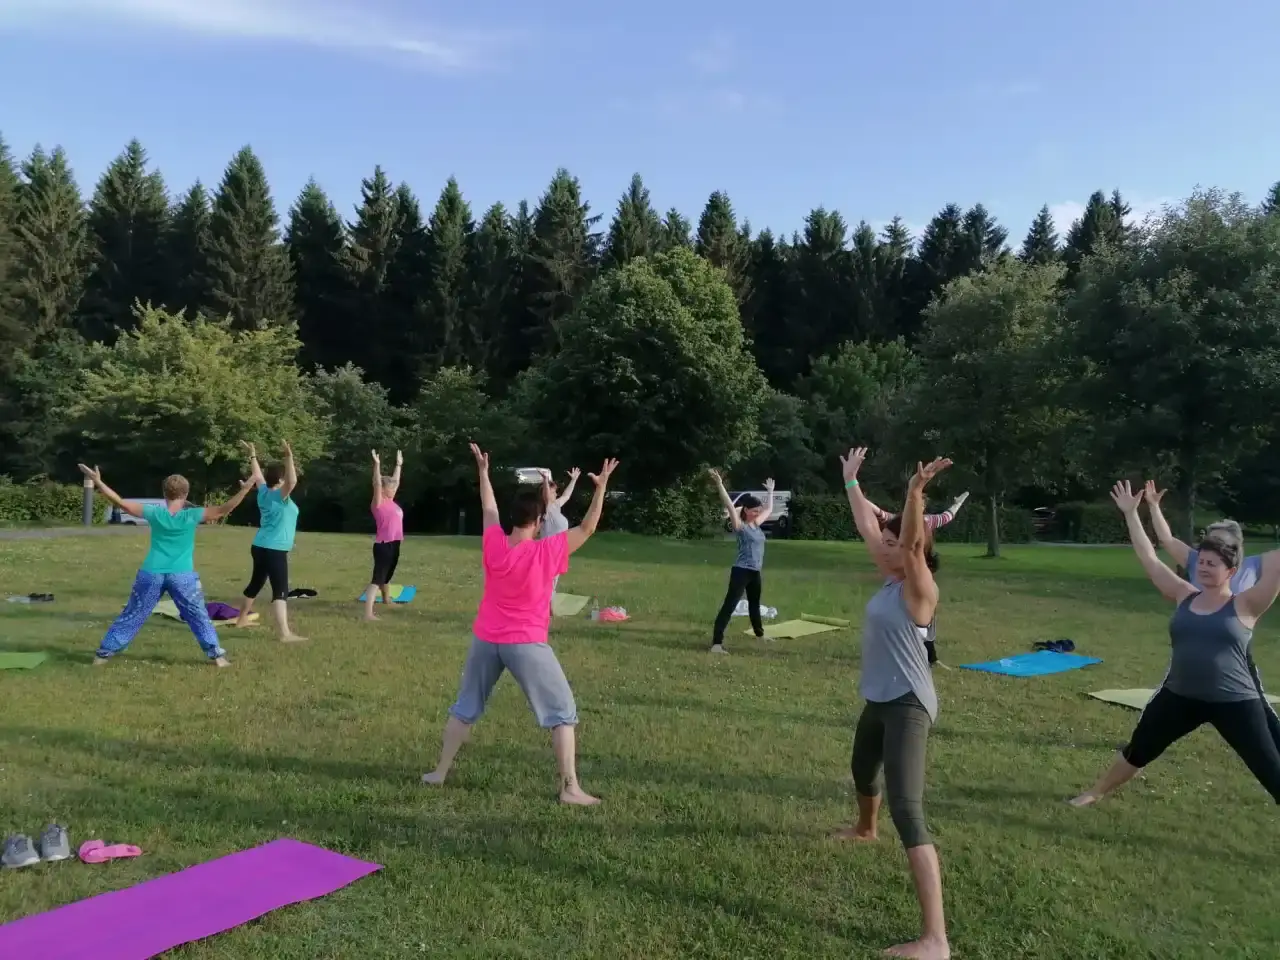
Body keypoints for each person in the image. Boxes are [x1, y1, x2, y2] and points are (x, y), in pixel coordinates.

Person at [421, 444, 619, 805]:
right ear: (540, 521)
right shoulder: (545, 551)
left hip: (486, 638)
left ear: (512, 518)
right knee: (562, 713)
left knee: (466, 707)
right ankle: (570, 788)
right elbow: (588, 527)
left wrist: (483, 472)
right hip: (525, 642)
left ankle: (439, 773)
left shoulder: (494, 543)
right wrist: (601, 486)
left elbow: (488, 508)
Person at [1070, 480, 1280, 808]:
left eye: (1212, 564)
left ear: (1231, 571)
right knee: (1139, 749)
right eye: (1202, 562)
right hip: (1180, 696)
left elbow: (1276, 569)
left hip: (1236, 701)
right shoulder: (1185, 594)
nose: (1204, 568)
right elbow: (1150, 559)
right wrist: (1131, 514)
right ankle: (1095, 792)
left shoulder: (1246, 604)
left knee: (1271, 770)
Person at [834, 446, 952, 960]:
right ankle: (865, 828)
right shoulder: (889, 581)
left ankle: (935, 940)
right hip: (879, 698)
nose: (882, 547)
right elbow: (867, 526)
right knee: (862, 770)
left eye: (894, 543)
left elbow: (910, 544)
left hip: (908, 704)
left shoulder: (918, 589)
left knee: (908, 809)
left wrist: (914, 493)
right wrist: (851, 482)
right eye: (884, 543)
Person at [78, 464, 254, 667]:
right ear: (186, 494)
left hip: (151, 573)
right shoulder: (192, 515)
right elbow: (224, 509)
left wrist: (98, 482)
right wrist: (245, 489)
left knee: (133, 614)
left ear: (164, 494)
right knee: (198, 616)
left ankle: (102, 655)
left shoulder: (155, 513)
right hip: (182, 576)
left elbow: (120, 503)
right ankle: (217, 657)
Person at [1143, 482, 1278, 746]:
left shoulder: (1254, 566)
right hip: (1194, 639)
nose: (1211, 546)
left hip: (1233, 649)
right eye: (1209, 539)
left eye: (1219, 541)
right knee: (1167, 696)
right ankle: (1143, 741)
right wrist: (1154, 506)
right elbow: (1167, 540)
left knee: (1258, 706)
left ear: (1235, 547)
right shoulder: (1197, 559)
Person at [234, 441, 305, 642]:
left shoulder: (263, 492)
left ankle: (241, 620)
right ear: (281, 479)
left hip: (260, 546)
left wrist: (253, 455)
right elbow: (292, 482)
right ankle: (285, 634)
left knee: (256, 583)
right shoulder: (280, 496)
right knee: (280, 590)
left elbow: (257, 475)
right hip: (274, 550)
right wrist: (289, 456)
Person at [707, 470, 774, 655]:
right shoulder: (741, 527)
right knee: (729, 606)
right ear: (746, 510)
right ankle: (716, 644)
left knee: (754, 604)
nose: (758, 513)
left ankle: (760, 635)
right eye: (754, 511)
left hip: (755, 572)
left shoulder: (756, 525)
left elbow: (769, 510)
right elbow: (729, 505)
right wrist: (720, 484)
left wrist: (770, 491)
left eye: (758, 511)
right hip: (741, 572)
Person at [363, 449, 404, 622]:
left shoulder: (391, 501)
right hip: (384, 545)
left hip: (395, 543)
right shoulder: (378, 503)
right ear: (384, 489)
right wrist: (377, 465)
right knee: (377, 579)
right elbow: (376, 484)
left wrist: (398, 465)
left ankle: (387, 600)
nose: (394, 488)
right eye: (390, 487)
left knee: (386, 576)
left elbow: (396, 481)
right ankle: (368, 614)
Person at [539, 467, 580, 599]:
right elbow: (546, 497)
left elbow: (566, 496)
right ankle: (544, 603)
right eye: (554, 492)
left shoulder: (555, 506)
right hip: (548, 552)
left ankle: (546, 603)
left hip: (557, 551)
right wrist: (546, 480)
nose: (556, 494)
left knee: (552, 582)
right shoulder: (546, 509)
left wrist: (573, 480)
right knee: (547, 582)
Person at [870, 491, 969, 534]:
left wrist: (958, 504)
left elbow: (947, 516)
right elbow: (880, 513)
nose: (915, 507)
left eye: (919, 505)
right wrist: (861, 499)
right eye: (912, 503)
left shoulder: (927, 520)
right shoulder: (899, 519)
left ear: (923, 507)